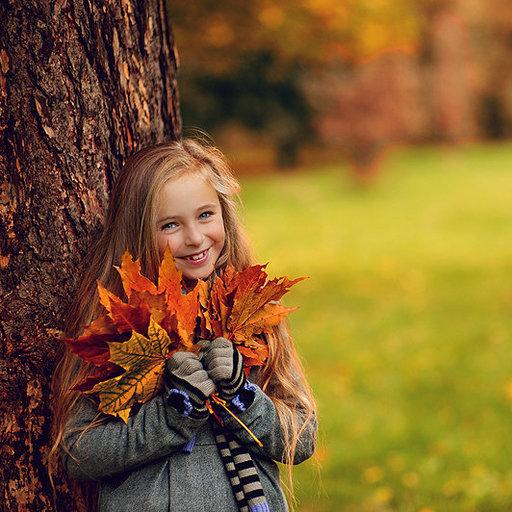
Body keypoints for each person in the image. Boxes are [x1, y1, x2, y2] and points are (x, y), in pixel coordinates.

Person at [46, 138, 319, 512]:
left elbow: (301, 438)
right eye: (171, 224)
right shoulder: (122, 324)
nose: (194, 238)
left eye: (206, 215)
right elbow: (79, 454)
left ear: (224, 213)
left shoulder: (250, 312)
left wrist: (241, 395)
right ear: (139, 232)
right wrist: (172, 415)